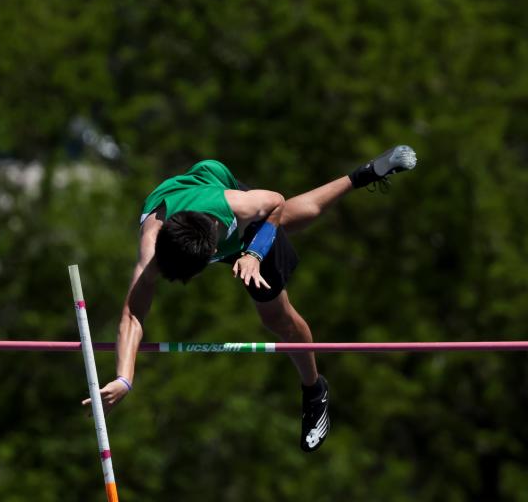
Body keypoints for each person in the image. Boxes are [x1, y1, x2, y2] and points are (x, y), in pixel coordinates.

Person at [82, 145, 417, 452]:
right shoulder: (152, 246)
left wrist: (253, 254)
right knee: (287, 224)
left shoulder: (238, 208)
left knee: (275, 317)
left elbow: (275, 201)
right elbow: (132, 314)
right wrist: (125, 378)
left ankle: (315, 389)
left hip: (220, 195)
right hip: (195, 198)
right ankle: (364, 174)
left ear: (214, 252)